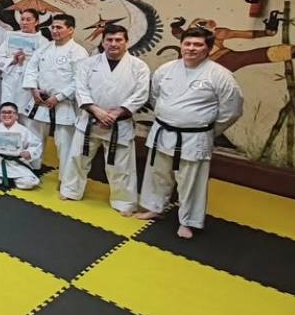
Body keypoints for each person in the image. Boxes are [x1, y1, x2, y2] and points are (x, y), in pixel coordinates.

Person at [135, 28, 244, 239]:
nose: (191, 49)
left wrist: (207, 130)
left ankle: (188, 221)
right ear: (181, 45)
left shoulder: (220, 75)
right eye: (188, 44)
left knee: (190, 179)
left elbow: (232, 110)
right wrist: (169, 115)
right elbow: (156, 96)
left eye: (198, 45)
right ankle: (155, 207)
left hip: (195, 135)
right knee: (158, 172)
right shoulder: (165, 69)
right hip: (163, 130)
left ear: (209, 48)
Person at [59, 24, 150, 215]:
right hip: (90, 119)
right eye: (109, 40)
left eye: (118, 40)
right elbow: (80, 90)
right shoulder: (88, 64)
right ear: (103, 41)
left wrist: (115, 114)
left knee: (120, 165)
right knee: (78, 157)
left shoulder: (139, 67)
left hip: (119, 123)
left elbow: (140, 95)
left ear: (127, 42)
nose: (113, 44)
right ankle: (70, 190)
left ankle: (123, 201)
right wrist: (97, 112)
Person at [21, 14, 90, 172]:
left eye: (59, 27)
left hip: (63, 103)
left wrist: (59, 96)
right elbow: (31, 69)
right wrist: (33, 89)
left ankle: (65, 178)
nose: (54, 30)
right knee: (34, 138)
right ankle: (31, 168)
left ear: (71, 30)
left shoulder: (78, 52)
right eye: (53, 27)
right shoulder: (44, 48)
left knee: (64, 143)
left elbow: (79, 80)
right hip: (40, 101)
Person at [0, 9, 50, 126]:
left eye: (28, 20)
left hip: (29, 86)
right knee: (9, 115)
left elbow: (45, 66)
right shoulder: (10, 37)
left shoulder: (43, 42)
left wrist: (27, 60)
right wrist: (13, 60)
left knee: (28, 121)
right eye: (22, 19)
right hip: (10, 82)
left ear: (36, 22)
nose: (24, 22)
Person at [0, 102, 43, 189]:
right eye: (3, 112)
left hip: (16, 163)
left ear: (16, 116)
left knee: (29, 183)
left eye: (10, 112)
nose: (6, 115)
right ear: (0, 115)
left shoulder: (24, 130)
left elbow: (36, 145)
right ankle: (5, 179)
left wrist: (29, 153)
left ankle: (9, 179)